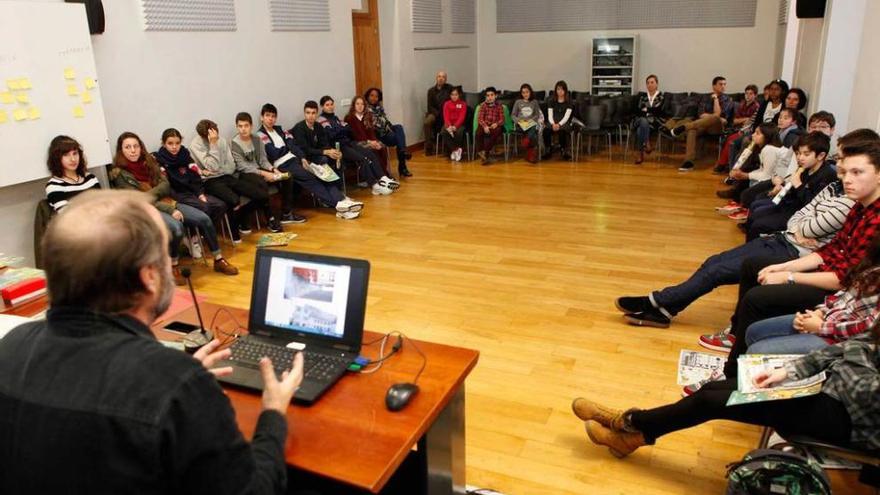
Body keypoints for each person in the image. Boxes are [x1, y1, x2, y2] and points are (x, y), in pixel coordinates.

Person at [0, 189, 305, 494]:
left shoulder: (10, 347)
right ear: (149, 277)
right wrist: (274, 413)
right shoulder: (176, 385)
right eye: (166, 255)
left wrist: (175, 378)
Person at [615, 148, 853, 330]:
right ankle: (663, 309)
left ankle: (657, 302)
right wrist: (802, 226)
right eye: (840, 159)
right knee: (713, 262)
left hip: (795, 253)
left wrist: (803, 226)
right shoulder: (834, 186)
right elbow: (797, 218)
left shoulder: (848, 199)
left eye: (843, 159)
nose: (838, 164)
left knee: (716, 272)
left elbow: (811, 226)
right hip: (785, 239)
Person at [571, 328, 880, 460]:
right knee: (712, 389)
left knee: (709, 401)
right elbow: (845, 349)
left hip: (849, 419)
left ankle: (628, 423)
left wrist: (852, 355)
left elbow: (863, 390)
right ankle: (632, 435)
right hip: (827, 384)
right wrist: (788, 372)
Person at [110, 132, 238, 281]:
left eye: (135, 146)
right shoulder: (118, 173)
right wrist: (169, 209)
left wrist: (152, 197)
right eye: (128, 147)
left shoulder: (150, 161)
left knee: (204, 219)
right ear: (121, 150)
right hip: (147, 209)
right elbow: (138, 201)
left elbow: (165, 184)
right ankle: (173, 265)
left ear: (141, 147)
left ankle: (218, 259)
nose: (133, 151)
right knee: (176, 228)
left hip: (168, 201)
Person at [744, 235, 880, 355]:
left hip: (850, 342)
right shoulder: (872, 265)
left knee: (757, 350)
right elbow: (845, 294)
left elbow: (869, 328)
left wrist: (821, 327)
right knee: (753, 332)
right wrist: (819, 312)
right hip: (830, 319)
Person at [269, 102, 363, 220]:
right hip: (285, 164)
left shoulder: (280, 130)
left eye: (313, 113)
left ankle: (341, 199)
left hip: (298, 159)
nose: (311, 116)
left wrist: (304, 156)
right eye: (308, 113)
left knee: (325, 173)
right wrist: (296, 152)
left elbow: (293, 146)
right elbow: (275, 152)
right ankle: (339, 205)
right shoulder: (263, 134)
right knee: (315, 178)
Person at [742, 130, 835, 241]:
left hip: (801, 216)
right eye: (799, 153)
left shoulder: (828, 175)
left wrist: (798, 185)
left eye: (806, 154)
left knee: (758, 225)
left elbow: (813, 205)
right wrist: (783, 190)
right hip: (790, 206)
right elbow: (794, 193)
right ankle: (750, 248)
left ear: (821, 155)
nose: (800, 158)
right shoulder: (806, 168)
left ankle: (755, 250)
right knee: (755, 213)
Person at [190, 119, 265, 242]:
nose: (216, 137)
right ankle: (234, 232)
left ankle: (241, 218)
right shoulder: (196, 145)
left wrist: (219, 170)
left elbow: (231, 165)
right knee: (233, 200)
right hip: (209, 181)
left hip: (225, 175)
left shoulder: (222, 140)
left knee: (261, 194)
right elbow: (212, 166)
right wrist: (213, 144)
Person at [317, 95, 398, 195]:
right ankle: (374, 186)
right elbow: (332, 135)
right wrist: (341, 129)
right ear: (322, 106)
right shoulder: (321, 120)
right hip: (338, 148)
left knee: (370, 154)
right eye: (327, 105)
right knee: (363, 159)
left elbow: (347, 130)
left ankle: (383, 178)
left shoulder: (335, 118)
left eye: (331, 104)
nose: (330, 107)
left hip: (349, 143)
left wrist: (340, 130)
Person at [230, 112, 290, 233]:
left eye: (246, 126)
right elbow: (243, 167)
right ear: (237, 127)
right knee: (262, 184)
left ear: (251, 126)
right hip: (245, 174)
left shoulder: (257, 139)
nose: (243, 129)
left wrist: (273, 170)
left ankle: (286, 213)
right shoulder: (235, 143)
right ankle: (271, 219)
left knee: (287, 177)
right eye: (240, 126)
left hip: (260, 169)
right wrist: (264, 174)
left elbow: (263, 160)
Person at [154, 128, 227, 223]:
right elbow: (166, 185)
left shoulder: (185, 155)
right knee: (205, 207)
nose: (174, 147)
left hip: (192, 191)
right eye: (170, 143)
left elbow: (195, 176)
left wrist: (200, 194)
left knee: (220, 205)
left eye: (177, 143)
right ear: (164, 144)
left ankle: (207, 230)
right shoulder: (160, 160)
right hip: (178, 195)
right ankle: (198, 233)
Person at [664, 76, 734, 172]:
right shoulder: (705, 98)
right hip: (702, 125)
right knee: (692, 130)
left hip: (717, 127)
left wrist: (716, 99)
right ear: (714, 86)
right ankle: (688, 162)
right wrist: (712, 116)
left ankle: (683, 127)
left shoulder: (728, 100)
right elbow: (701, 114)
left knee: (715, 118)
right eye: (720, 84)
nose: (723, 86)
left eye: (724, 84)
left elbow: (719, 116)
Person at [44, 135, 101, 212]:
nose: (73, 159)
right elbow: (68, 217)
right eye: (66, 155)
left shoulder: (90, 178)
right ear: (56, 158)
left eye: (75, 153)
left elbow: (103, 205)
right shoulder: (54, 185)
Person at [365, 87, 412, 177]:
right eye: (372, 95)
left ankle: (402, 150)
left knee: (399, 127)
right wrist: (387, 129)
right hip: (378, 135)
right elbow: (374, 126)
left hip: (386, 132)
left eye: (376, 96)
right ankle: (403, 167)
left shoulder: (379, 108)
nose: (374, 98)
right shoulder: (366, 109)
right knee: (399, 140)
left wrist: (390, 127)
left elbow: (386, 122)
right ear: (367, 96)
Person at [713, 84, 759, 174]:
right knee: (726, 138)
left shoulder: (756, 106)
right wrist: (745, 119)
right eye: (746, 93)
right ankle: (725, 164)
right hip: (736, 128)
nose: (748, 96)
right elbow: (735, 121)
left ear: (755, 95)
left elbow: (751, 123)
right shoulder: (742, 104)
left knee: (731, 140)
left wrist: (743, 121)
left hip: (747, 130)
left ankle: (722, 164)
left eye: (751, 94)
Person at [631, 74, 665, 165]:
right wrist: (649, 111)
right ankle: (647, 143)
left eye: (652, 82)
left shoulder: (661, 96)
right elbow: (637, 111)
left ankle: (640, 154)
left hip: (654, 122)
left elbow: (659, 111)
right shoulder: (642, 97)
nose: (650, 84)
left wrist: (647, 110)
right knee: (642, 121)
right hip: (640, 120)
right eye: (648, 83)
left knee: (640, 129)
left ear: (657, 84)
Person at [511, 83, 544, 164]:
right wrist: (519, 121)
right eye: (523, 92)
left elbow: (537, 115)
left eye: (527, 92)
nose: (525, 94)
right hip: (520, 124)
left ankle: (527, 143)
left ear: (530, 92)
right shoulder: (518, 102)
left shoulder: (534, 102)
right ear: (521, 93)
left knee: (532, 126)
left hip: (531, 123)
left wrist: (530, 121)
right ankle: (531, 154)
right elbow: (513, 115)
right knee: (533, 133)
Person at [543, 80, 575, 161]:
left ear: (565, 90)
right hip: (553, 121)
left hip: (564, 122)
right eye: (558, 89)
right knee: (546, 130)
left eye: (562, 89)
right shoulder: (551, 100)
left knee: (562, 131)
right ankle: (548, 149)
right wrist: (553, 124)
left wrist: (559, 125)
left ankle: (564, 150)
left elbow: (567, 116)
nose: (560, 91)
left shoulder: (569, 102)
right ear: (555, 90)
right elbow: (550, 115)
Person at [474, 86, 506, 165]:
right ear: (485, 97)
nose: (490, 97)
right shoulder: (483, 105)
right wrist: (485, 126)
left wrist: (496, 124)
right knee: (478, 133)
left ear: (496, 96)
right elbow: (480, 118)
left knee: (496, 132)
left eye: (492, 95)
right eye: (488, 95)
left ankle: (485, 152)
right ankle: (481, 151)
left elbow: (502, 119)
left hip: (494, 125)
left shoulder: (499, 106)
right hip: (485, 124)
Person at [424, 70, 452, 154]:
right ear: (436, 78)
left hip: (446, 113)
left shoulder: (450, 88)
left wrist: (444, 113)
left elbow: (452, 103)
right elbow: (429, 106)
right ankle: (429, 147)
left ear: (446, 79)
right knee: (427, 122)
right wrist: (437, 114)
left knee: (447, 123)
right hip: (435, 113)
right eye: (439, 76)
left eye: (443, 77)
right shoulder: (431, 91)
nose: (441, 78)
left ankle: (448, 148)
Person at [441, 87, 467, 163]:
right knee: (444, 131)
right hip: (448, 124)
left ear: (459, 95)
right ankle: (456, 150)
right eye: (452, 94)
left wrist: (455, 126)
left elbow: (461, 117)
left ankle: (455, 150)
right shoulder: (447, 104)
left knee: (459, 132)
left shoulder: (463, 104)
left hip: (459, 124)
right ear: (450, 95)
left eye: (456, 94)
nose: (454, 96)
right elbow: (446, 116)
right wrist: (449, 126)